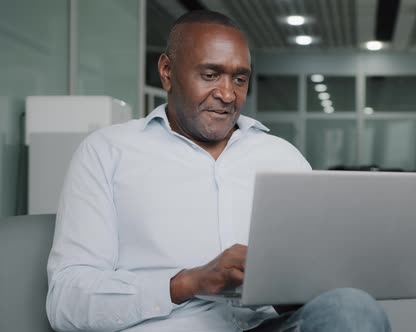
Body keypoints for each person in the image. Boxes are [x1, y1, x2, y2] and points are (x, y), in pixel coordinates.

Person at [46, 10, 391, 332]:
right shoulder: (107, 152)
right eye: (210, 75)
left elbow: (314, 276)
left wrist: (295, 288)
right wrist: (188, 283)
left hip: (266, 324)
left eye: (239, 79)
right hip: (171, 326)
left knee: (352, 309)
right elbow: (65, 299)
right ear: (167, 72)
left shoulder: (283, 157)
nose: (227, 94)